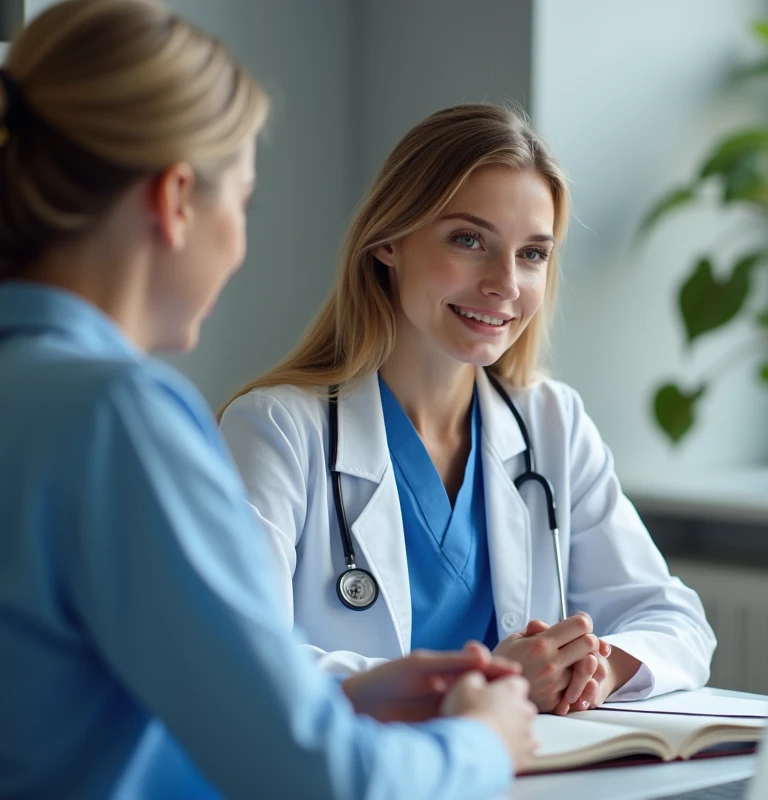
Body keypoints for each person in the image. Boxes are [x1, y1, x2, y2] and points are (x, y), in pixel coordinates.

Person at [0, 2, 536, 797]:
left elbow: (84, 703)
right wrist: (484, 740)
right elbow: (327, 782)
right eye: (241, 201)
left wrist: (333, 693)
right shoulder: (119, 417)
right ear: (177, 199)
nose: (241, 243)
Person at [218, 103, 717, 716]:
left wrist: (598, 665)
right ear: (388, 244)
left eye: (532, 253)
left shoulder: (550, 424)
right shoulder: (276, 431)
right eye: (468, 239)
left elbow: (674, 619)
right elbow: (236, 656)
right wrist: (472, 686)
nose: (505, 282)